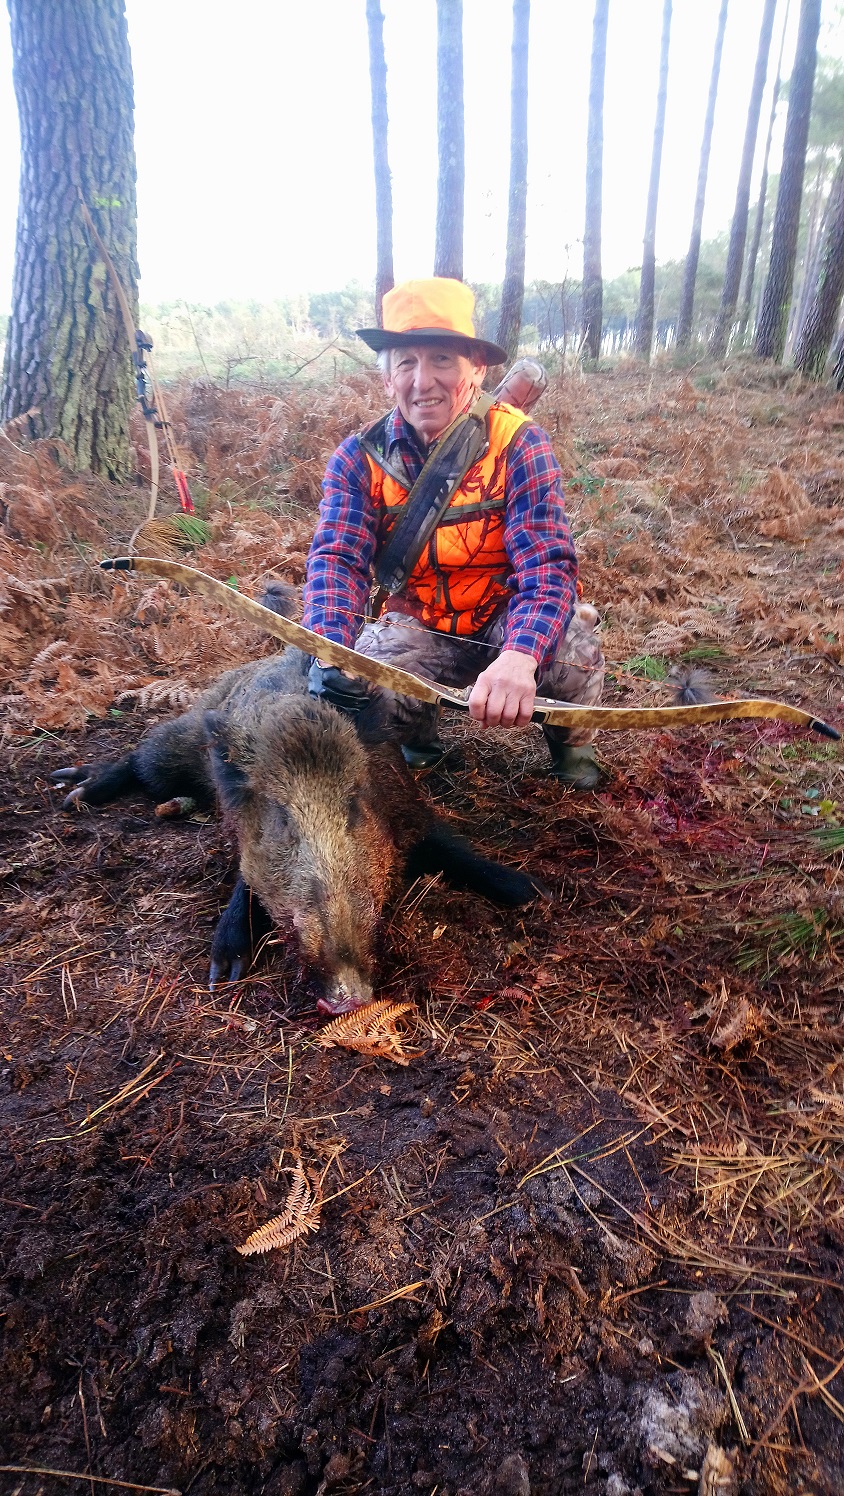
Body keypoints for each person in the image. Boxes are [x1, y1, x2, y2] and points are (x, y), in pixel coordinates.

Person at [302, 278, 605, 789]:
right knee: (359, 682)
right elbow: (338, 561)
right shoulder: (357, 459)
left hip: (503, 619)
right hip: (419, 624)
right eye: (406, 362)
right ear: (387, 379)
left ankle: (572, 748)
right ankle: (417, 743)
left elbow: (548, 567)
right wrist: (332, 651)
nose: (424, 381)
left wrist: (519, 656)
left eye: (442, 359)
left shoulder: (519, 443)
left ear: (476, 370)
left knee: (572, 650)